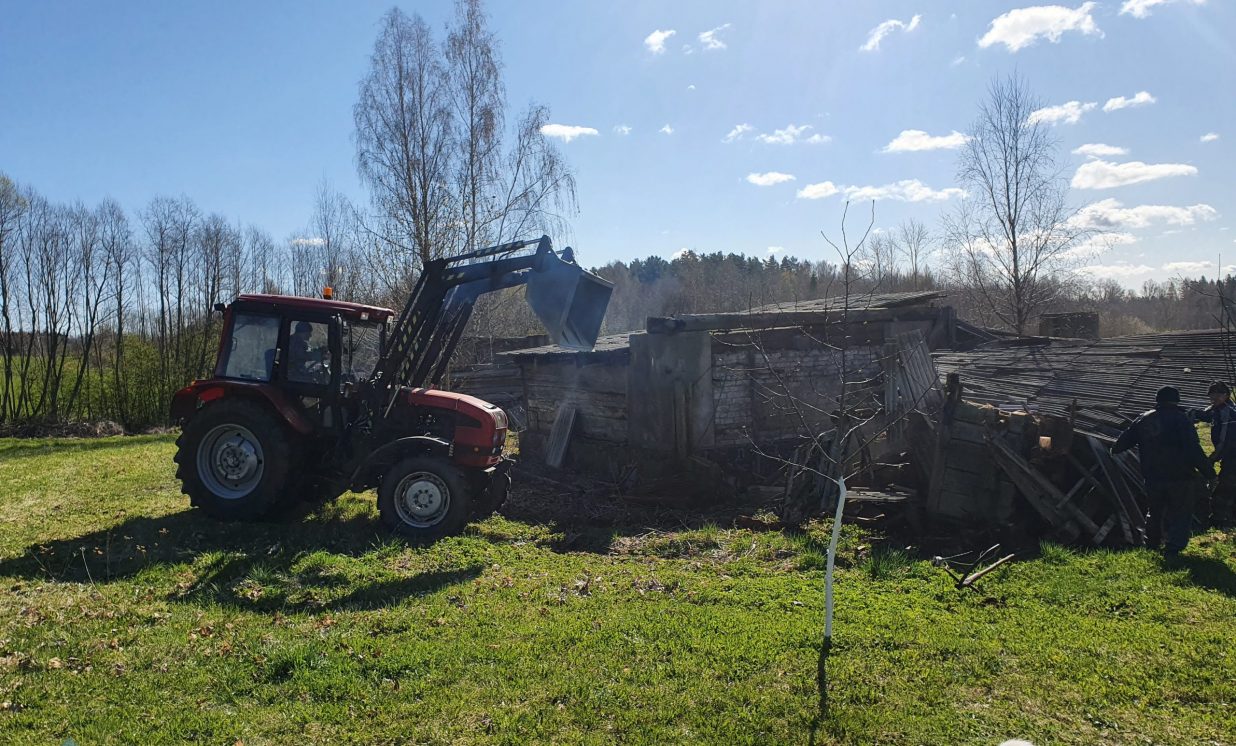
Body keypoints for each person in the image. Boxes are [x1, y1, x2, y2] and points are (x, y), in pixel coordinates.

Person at [1112, 385, 1212, 556]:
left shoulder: (1144, 419)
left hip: (1153, 476)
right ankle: (1173, 547)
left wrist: (1116, 448)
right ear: (1176, 401)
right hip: (1181, 477)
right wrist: (1209, 473)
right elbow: (1193, 450)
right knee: (1181, 512)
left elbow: (1120, 445)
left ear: (1157, 400)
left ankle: (1152, 544)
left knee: (1154, 511)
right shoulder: (1181, 420)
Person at [1192, 380, 1236, 526]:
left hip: (1232, 455)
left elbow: (1224, 441)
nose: (1213, 398)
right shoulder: (1217, 409)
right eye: (1211, 395)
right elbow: (1206, 414)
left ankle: (1220, 519)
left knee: (1224, 488)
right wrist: (1193, 413)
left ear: (1226, 395)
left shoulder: (1229, 413)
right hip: (1229, 456)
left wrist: (1212, 459)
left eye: (1218, 395)